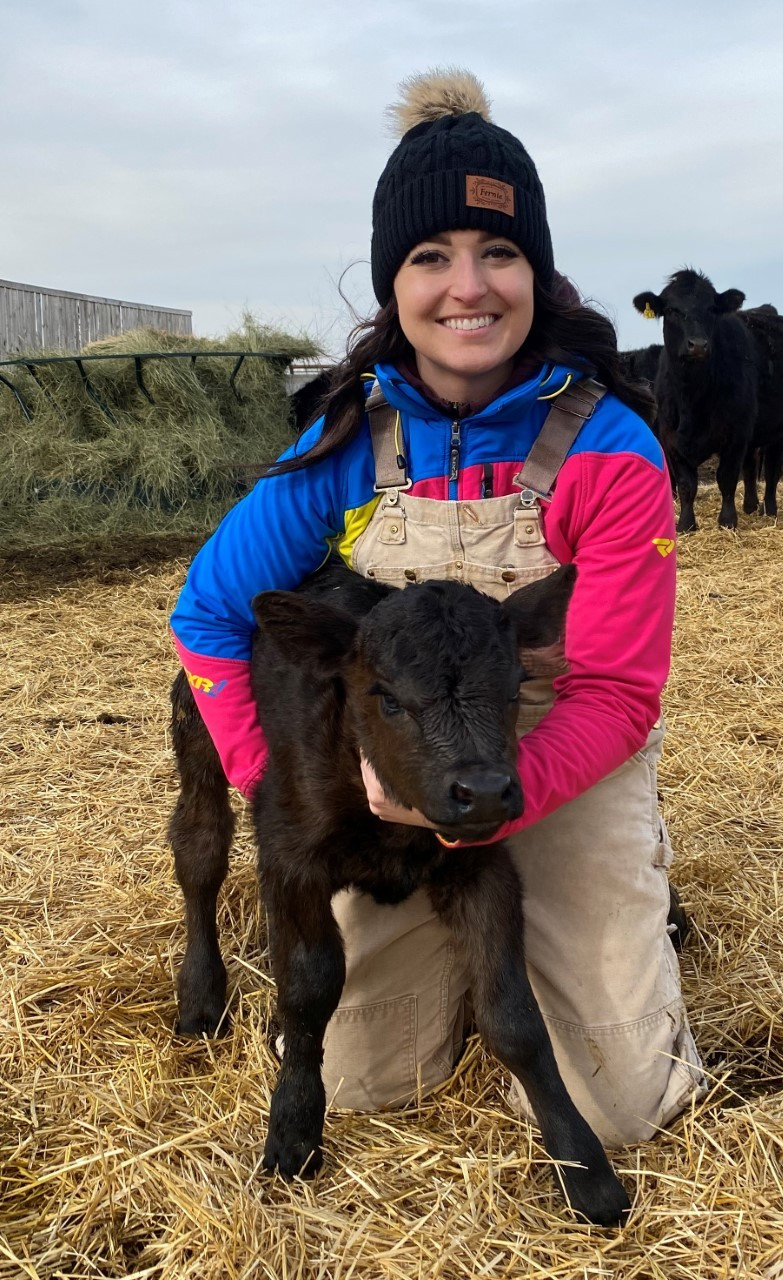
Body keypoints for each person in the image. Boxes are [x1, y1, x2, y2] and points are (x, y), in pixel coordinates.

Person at [170, 68, 706, 1147]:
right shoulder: (345, 443)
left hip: (546, 752)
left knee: (618, 1106)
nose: (469, 287)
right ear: (393, 284)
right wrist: (269, 783)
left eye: (499, 251)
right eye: (431, 257)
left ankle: (603, 900)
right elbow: (209, 615)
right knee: (364, 1079)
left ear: (536, 272)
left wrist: (498, 797)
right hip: (396, 760)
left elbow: (614, 690)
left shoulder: (610, 449)